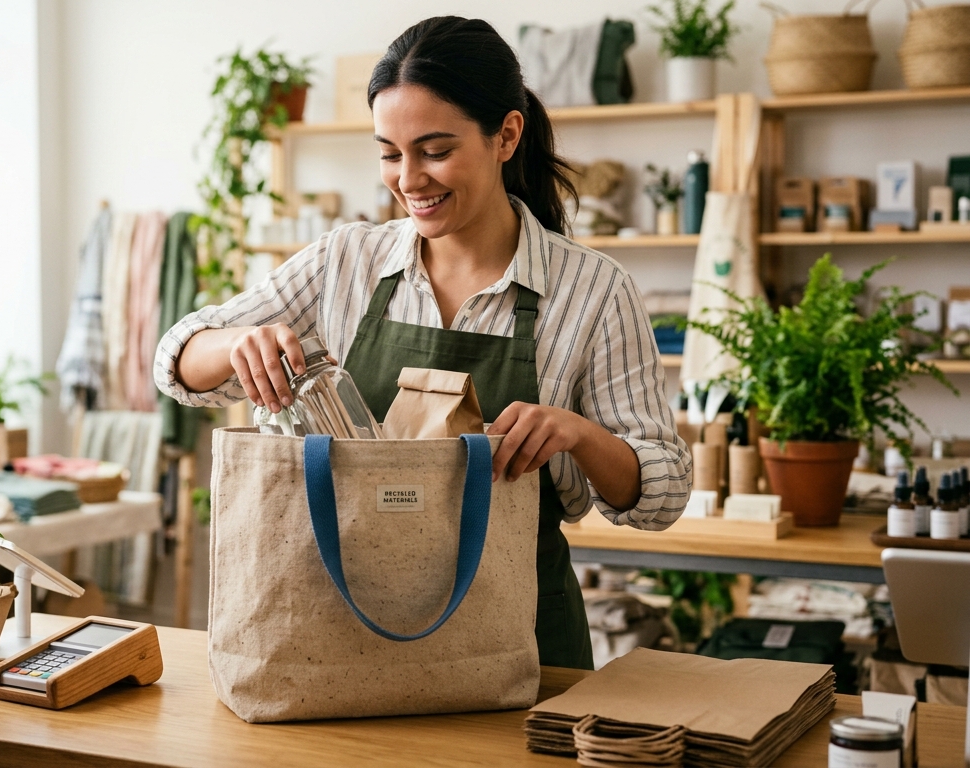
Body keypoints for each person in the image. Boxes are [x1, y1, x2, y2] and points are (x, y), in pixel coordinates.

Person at [155, 16, 691, 670]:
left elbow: (662, 492)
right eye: (389, 152)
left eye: (435, 150)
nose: (408, 179)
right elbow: (177, 361)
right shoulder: (345, 261)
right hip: (350, 626)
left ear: (506, 135)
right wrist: (238, 342)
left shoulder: (594, 290)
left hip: (521, 638)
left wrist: (577, 433)